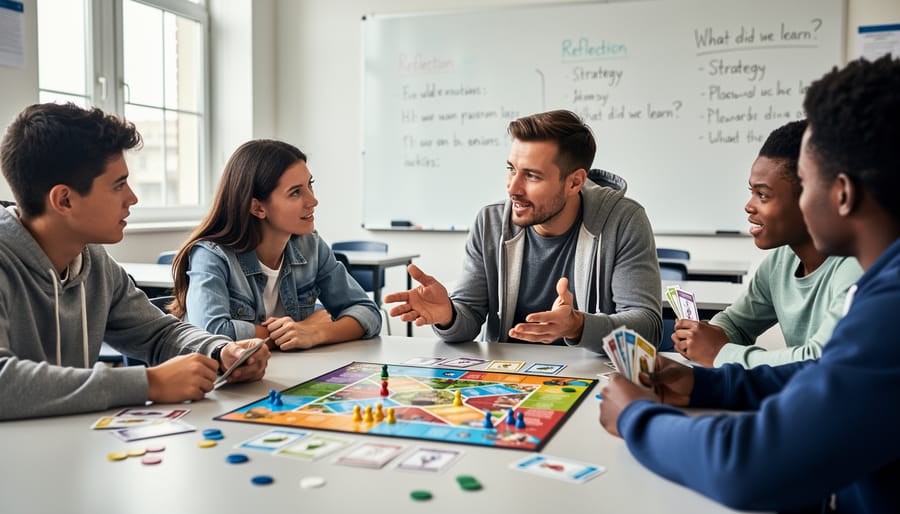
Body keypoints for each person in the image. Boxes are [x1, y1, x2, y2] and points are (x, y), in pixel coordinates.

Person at [599, 55, 900, 513]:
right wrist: (704, 386)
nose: (750, 205)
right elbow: (823, 376)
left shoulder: (892, 306)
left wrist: (636, 418)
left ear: (841, 193)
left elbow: (748, 466)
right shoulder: (884, 279)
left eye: (807, 179)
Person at [0, 103, 270, 421]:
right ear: (65, 200)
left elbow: (156, 333)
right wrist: (148, 383)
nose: (132, 198)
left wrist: (220, 351)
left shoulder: (93, 260)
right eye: (118, 185)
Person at [385, 110, 661, 352]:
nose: (512, 188)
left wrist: (578, 326)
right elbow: (467, 319)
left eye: (531, 175)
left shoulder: (624, 221)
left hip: (593, 378)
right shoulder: (491, 223)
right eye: (511, 169)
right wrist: (449, 315)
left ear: (575, 182)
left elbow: (648, 327)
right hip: (507, 380)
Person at [672, 120, 862, 368]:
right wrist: (704, 336)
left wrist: (720, 353)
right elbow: (736, 323)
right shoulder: (780, 261)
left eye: (763, 195)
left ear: (813, 196)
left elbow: (820, 359)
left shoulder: (855, 266)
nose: (749, 206)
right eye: (751, 191)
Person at [168, 139, 381, 350]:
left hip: (291, 374)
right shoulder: (212, 255)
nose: (313, 201)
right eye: (295, 192)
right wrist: (297, 329)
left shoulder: (312, 247)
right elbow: (209, 333)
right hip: (223, 382)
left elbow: (367, 312)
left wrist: (315, 332)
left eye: (310, 185)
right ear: (257, 208)